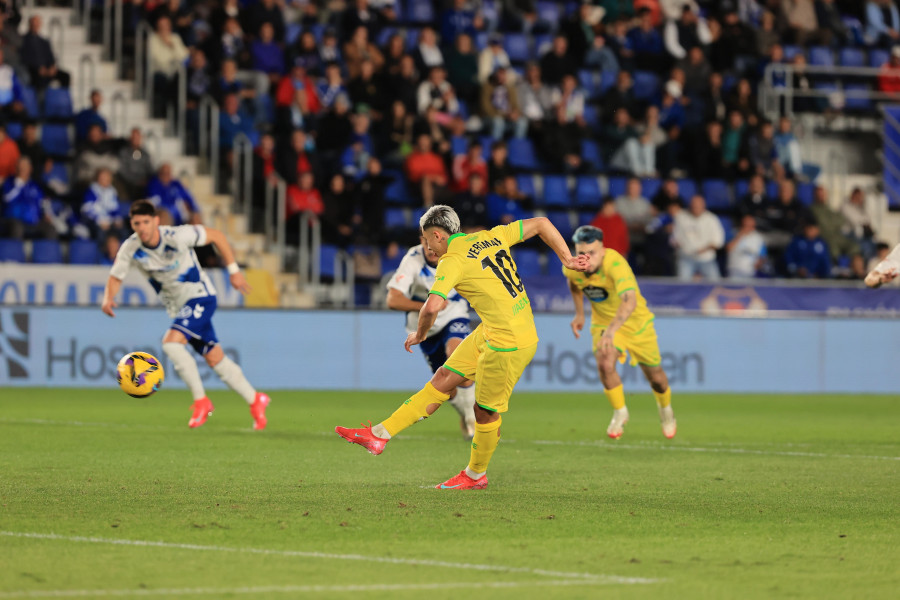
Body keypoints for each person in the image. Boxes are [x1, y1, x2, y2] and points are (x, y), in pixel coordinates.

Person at [335, 206, 590, 489]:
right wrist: (566, 258)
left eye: (426, 239)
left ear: (435, 234)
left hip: (509, 342)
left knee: (485, 411)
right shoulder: (488, 237)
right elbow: (541, 223)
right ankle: (379, 435)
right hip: (494, 328)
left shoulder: (452, 260)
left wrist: (420, 334)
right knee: (443, 377)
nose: (427, 246)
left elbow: (432, 305)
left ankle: (475, 475)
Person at [101, 200, 271, 430]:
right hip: (180, 309)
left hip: (201, 296)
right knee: (214, 358)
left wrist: (234, 271)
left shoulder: (178, 236)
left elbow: (217, 236)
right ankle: (255, 400)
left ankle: (201, 401)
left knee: (171, 344)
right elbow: (115, 276)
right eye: (136, 223)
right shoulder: (130, 247)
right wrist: (108, 298)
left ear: (156, 222)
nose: (141, 227)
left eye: (145, 222)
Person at [564, 225, 677, 440]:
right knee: (605, 364)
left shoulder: (615, 264)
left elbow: (630, 300)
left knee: (657, 380)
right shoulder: (572, 267)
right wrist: (579, 314)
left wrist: (611, 332)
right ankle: (620, 412)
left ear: (603, 250)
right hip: (603, 322)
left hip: (637, 325)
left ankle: (666, 410)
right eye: (581, 254)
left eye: (592, 253)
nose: (586, 259)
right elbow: (574, 284)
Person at [385, 237, 477, 439]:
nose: (429, 247)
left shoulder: (457, 254)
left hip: (455, 315)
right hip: (425, 328)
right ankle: (465, 413)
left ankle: (472, 419)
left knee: (458, 356)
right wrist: (427, 307)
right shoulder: (413, 258)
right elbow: (393, 299)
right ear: (420, 239)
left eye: (433, 241)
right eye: (424, 240)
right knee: (447, 387)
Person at [674, 195, 725, 281]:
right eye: (693, 205)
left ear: (703, 206)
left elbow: (718, 242)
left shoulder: (712, 219)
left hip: (706, 259)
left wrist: (702, 250)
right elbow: (675, 238)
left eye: (698, 206)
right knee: (682, 284)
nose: (695, 208)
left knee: (715, 283)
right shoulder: (681, 217)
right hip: (686, 258)